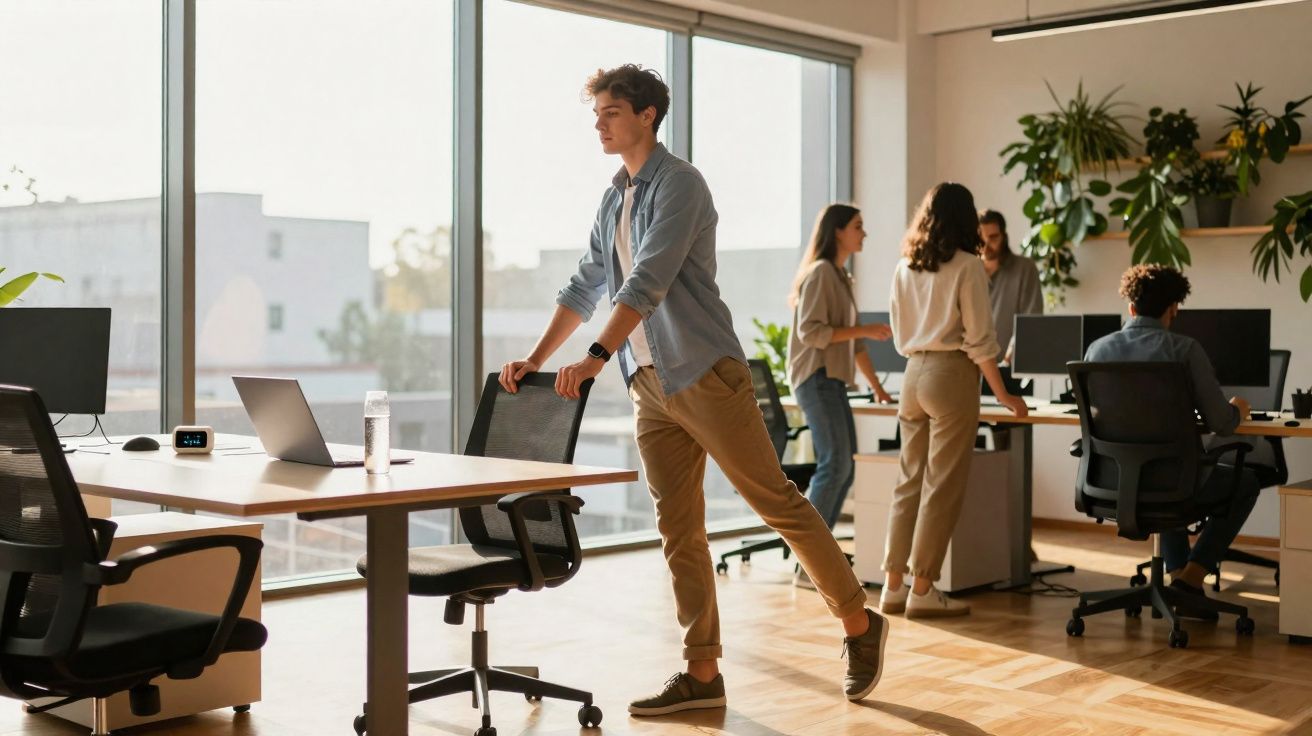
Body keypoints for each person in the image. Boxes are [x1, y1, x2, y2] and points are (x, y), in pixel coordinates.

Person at [497, 64, 888, 716]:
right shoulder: (611, 197)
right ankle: (702, 672)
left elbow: (646, 281)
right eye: (596, 113)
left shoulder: (679, 184)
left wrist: (594, 356)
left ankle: (858, 623)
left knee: (777, 502)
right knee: (678, 528)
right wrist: (536, 358)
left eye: (612, 111)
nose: (600, 122)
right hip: (650, 386)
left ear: (647, 114)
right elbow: (584, 286)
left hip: (705, 375)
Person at [878, 183, 1028, 619]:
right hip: (951, 375)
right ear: (967, 220)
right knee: (940, 487)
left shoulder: (905, 266)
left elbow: (897, 326)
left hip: (913, 374)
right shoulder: (968, 266)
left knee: (908, 482)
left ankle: (893, 587)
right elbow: (981, 340)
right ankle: (923, 589)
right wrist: (1003, 395)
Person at [1084, 264, 1259, 617]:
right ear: (1174, 308)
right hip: (1173, 482)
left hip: (1112, 481)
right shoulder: (1185, 350)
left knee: (1172, 472)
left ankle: (1179, 576)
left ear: (1130, 307)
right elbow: (1222, 425)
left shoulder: (1096, 351)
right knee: (1245, 481)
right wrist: (1238, 407)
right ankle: (1190, 579)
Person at [787, 204, 892, 590]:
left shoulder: (839, 276)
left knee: (843, 466)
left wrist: (877, 387)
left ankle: (814, 562)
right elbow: (813, 333)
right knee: (835, 466)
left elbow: (853, 342)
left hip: (831, 379)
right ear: (838, 232)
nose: (864, 233)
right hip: (816, 377)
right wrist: (862, 330)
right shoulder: (820, 275)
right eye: (858, 227)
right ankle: (810, 565)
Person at [979, 209, 1042, 364]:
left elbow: (1031, 318)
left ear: (1004, 236)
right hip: (971, 367)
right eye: (980, 239)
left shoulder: (1025, 268)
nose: (986, 246)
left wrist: (1010, 357)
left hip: (1012, 365)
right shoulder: (968, 270)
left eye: (993, 238)